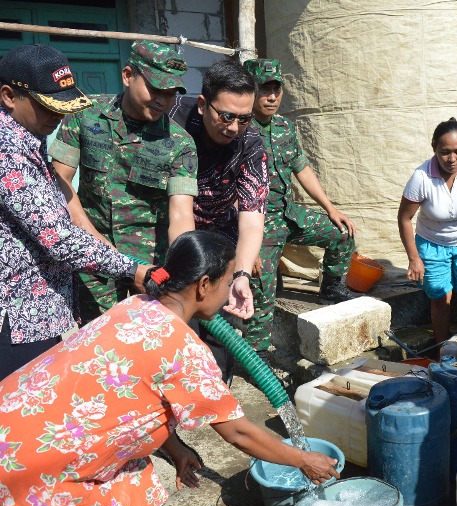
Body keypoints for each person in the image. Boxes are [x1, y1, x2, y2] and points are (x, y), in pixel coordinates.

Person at [0, 230, 339, 506]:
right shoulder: (184, 350)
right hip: (33, 464)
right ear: (204, 285)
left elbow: (132, 400)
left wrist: (175, 449)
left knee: (136, 478)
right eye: (228, 281)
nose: (229, 293)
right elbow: (237, 431)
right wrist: (302, 459)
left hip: (17, 421)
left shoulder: (134, 305)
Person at [0, 44, 148, 380]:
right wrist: (134, 270)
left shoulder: (28, 137)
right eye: (47, 106)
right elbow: (58, 238)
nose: (59, 116)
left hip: (41, 313)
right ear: (9, 96)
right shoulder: (6, 151)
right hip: (19, 319)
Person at [50, 40, 197, 323]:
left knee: (149, 342)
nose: (163, 101)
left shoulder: (181, 144)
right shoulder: (84, 116)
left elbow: (181, 215)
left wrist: (178, 271)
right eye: (155, 89)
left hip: (152, 267)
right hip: (93, 259)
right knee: (95, 342)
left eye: (170, 93)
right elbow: (60, 183)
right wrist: (96, 243)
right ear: (128, 76)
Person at [241, 59, 357, 355]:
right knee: (260, 292)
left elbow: (301, 168)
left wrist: (331, 208)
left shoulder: (284, 127)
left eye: (276, 89)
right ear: (250, 91)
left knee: (342, 233)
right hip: (258, 226)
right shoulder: (237, 129)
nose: (272, 96)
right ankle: (256, 354)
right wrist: (244, 247)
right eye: (264, 89)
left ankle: (331, 288)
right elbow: (230, 190)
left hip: (287, 215)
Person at [168, 59, 268, 381]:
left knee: (221, 321)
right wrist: (186, 270)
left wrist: (240, 272)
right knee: (177, 317)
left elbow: (252, 217)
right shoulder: (172, 123)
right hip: (172, 231)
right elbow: (180, 211)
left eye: (245, 118)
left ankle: (215, 388)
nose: (235, 128)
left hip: (220, 232)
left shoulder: (251, 144)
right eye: (226, 116)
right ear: (202, 104)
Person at [398, 118, 457, 349]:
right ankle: (442, 349)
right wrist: (414, 258)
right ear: (434, 150)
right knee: (440, 297)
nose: (452, 159)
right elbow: (404, 218)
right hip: (431, 244)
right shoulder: (421, 177)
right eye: (444, 152)